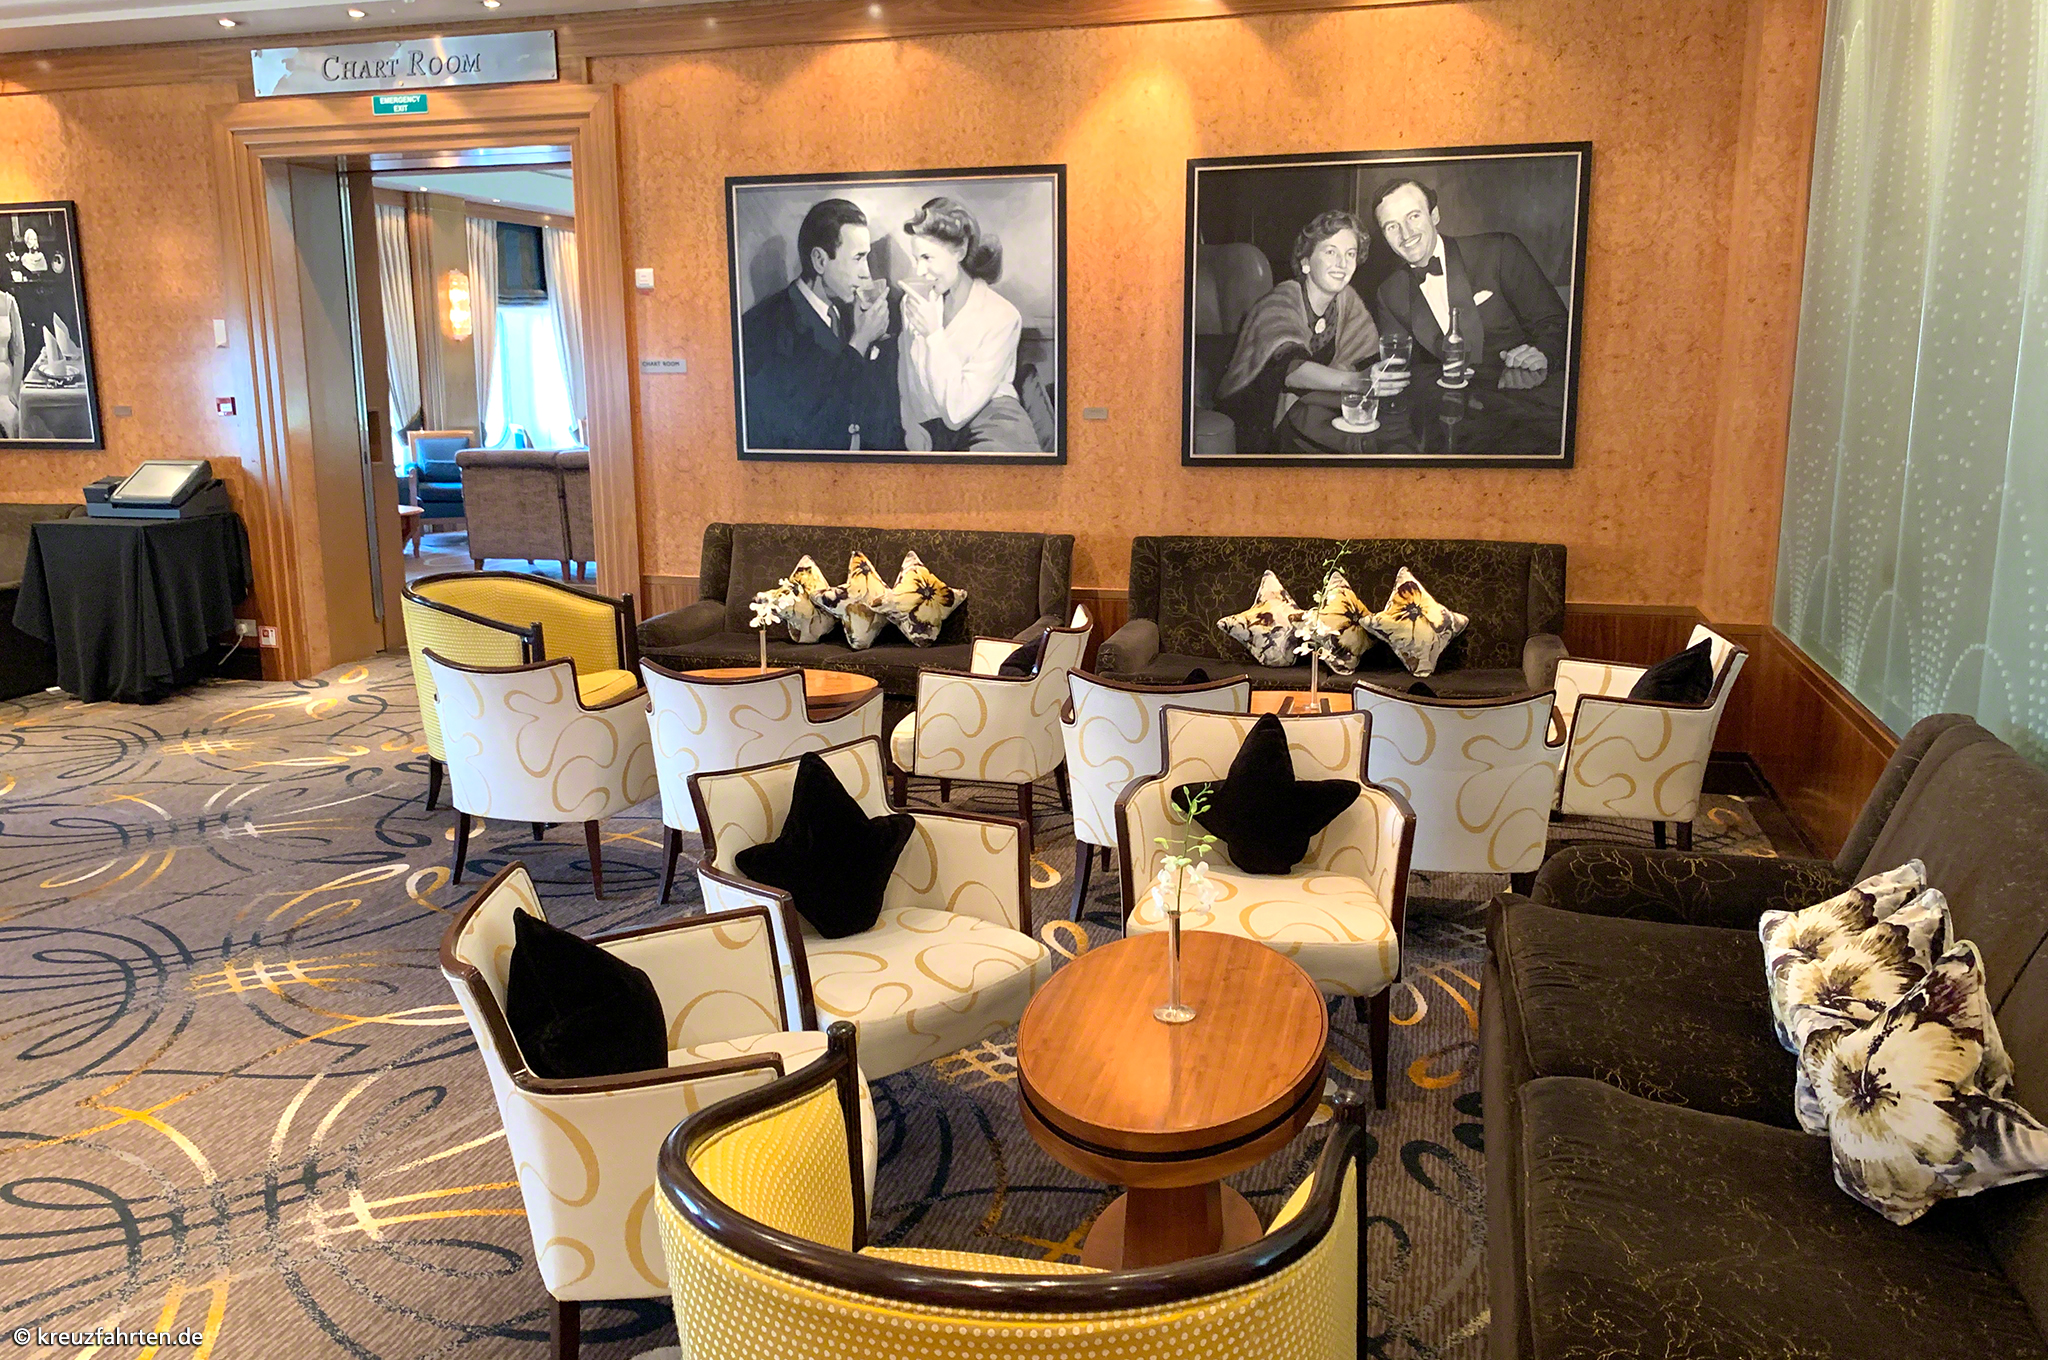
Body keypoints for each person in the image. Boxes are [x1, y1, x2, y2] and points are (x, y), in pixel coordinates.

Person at [738, 197, 904, 452]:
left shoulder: (850, 313)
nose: (867, 273)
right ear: (819, 260)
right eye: (858, 258)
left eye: (867, 258)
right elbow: (802, 425)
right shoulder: (764, 327)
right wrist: (859, 343)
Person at [1213, 210, 1381, 453]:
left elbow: (1368, 357)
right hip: (1261, 421)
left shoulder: (1348, 301)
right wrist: (1359, 380)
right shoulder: (1280, 301)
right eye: (1331, 252)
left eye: (1350, 254)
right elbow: (1292, 370)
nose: (1342, 263)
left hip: (1315, 410)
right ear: (1306, 262)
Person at [1370, 178, 1568, 381]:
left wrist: (1542, 354)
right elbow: (1401, 367)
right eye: (1391, 226)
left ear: (1434, 215)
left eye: (1413, 216)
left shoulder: (1499, 251)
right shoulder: (1389, 293)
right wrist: (1380, 376)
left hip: (1517, 391)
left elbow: (1556, 323)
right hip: (1445, 398)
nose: (1406, 233)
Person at [896, 197, 1041, 453]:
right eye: (916, 258)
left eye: (928, 257)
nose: (919, 271)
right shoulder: (915, 302)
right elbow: (907, 373)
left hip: (994, 427)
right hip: (934, 430)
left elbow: (957, 413)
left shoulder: (1002, 316)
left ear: (960, 251)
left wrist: (933, 335)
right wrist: (910, 424)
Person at [0, 289, 20, 438]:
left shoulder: (8, 301)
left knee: (9, 419)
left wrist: (14, 389)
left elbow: (19, 352)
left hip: (4, 386)